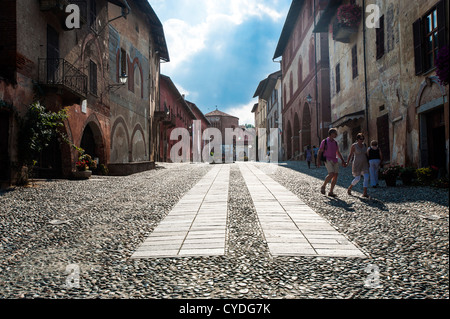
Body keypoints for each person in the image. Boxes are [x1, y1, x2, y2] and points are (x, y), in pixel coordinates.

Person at [317, 128, 347, 197]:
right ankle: (323, 186)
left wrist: (342, 161)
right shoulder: (324, 141)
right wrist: (318, 161)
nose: (336, 134)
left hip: (335, 159)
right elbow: (320, 151)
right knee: (331, 174)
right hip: (327, 159)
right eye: (335, 133)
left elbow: (338, 152)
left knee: (335, 175)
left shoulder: (335, 142)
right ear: (331, 134)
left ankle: (331, 192)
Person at [347, 133, 370, 198]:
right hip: (357, 163)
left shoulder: (364, 145)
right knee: (357, 178)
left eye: (363, 139)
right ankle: (350, 187)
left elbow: (367, 154)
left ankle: (365, 193)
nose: (362, 140)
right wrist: (347, 162)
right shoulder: (354, 146)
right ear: (357, 139)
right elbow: (350, 154)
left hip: (364, 163)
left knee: (366, 177)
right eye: (360, 139)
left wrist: (369, 162)